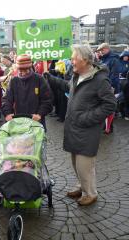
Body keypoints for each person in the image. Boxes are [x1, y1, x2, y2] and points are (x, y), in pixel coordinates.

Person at [44, 45, 116, 206]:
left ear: (84, 59)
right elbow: (67, 88)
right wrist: (51, 78)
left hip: (87, 130)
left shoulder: (99, 79)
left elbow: (110, 104)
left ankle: (90, 193)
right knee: (76, 163)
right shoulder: (78, 76)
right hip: (74, 128)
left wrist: (87, 118)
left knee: (85, 166)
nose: (71, 61)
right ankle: (81, 186)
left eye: (73, 58)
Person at [1, 54, 53, 129]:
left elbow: (47, 100)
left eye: (26, 70)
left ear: (30, 67)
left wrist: (40, 114)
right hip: (18, 122)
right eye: (21, 70)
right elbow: (6, 99)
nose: (24, 72)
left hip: (36, 122)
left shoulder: (39, 79)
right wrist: (7, 113)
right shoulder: (13, 81)